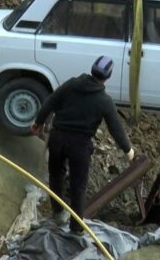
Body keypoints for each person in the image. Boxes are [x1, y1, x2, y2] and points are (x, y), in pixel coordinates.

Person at [31, 56, 135, 233]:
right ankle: (76, 230)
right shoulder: (104, 101)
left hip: (57, 138)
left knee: (56, 176)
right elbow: (115, 128)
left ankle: (57, 214)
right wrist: (128, 150)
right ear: (108, 76)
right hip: (79, 146)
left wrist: (38, 123)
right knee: (78, 187)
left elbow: (50, 102)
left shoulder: (72, 84)